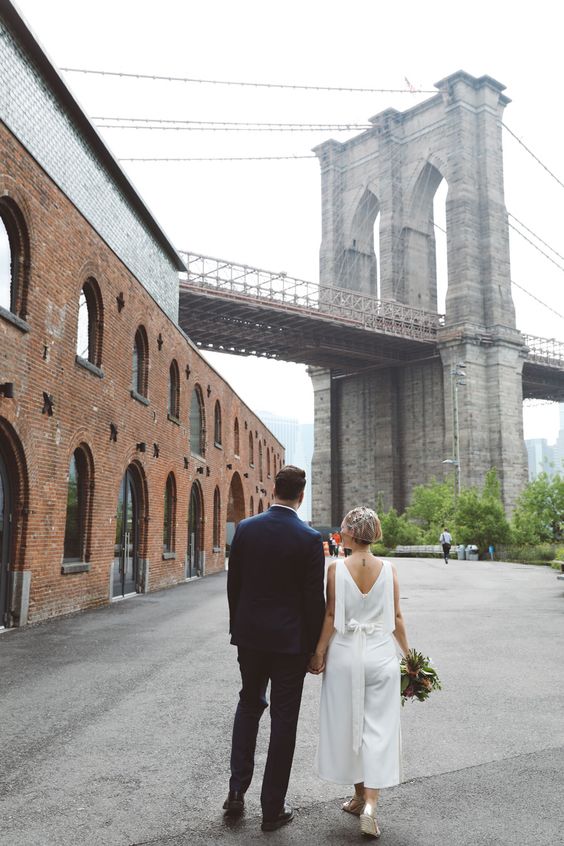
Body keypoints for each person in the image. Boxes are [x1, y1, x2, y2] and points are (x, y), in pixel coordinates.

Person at [224, 465, 326, 832]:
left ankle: (236, 791)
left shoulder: (246, 530)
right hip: (290, 645)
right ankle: (272, 809)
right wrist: (316, 649)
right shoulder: (309, 539)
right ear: (301, 495)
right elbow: (315, 601)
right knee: (284, 721)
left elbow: (234, 585)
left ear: (273, 489)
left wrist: (239, 627)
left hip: (250, 639)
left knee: (249, 705)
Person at [309, 507, 409, 839]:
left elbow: (330, 614)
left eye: (343, 528)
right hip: (381, 656)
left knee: (351, 724)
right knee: (378, 729)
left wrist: (318, 652)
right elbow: (396, 617)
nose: (339, 532)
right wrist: (411, 659)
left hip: (346, 655)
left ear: (352, 533)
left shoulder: (337, 569)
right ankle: (368, 805)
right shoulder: (390, 569)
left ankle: (357, 795)